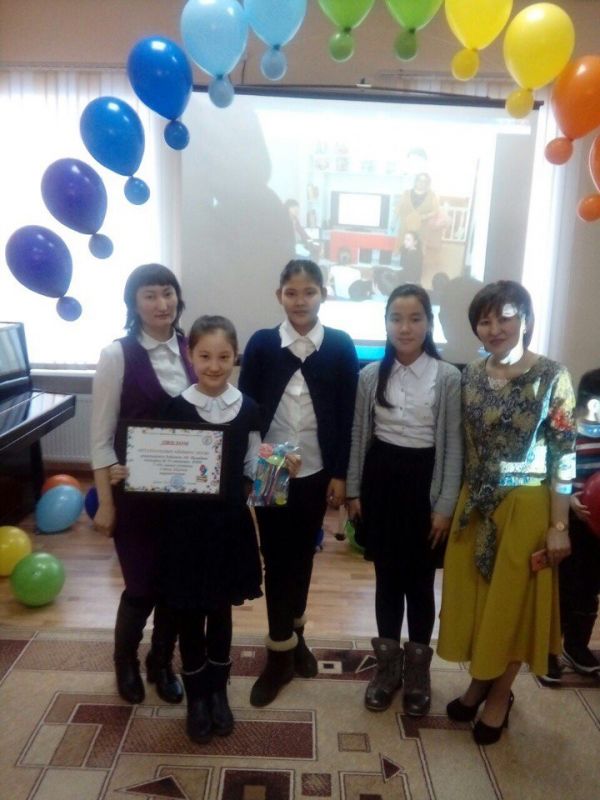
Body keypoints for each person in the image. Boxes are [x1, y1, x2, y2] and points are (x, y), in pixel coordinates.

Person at [437, 280, 576, 745]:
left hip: (526, 507)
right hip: (475, 505)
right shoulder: (471, 375)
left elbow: (564, 455)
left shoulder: (552, 375)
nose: (495, 328)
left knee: (512, 608)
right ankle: (479, 682)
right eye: (485, 320)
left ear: (525, 319)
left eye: (505, 317)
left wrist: (559, 525)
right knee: (479, 604)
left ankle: (499, 696)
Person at [238, 258, 359, 707]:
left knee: (304, 555)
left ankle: (297, 637)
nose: (300, 300)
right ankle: (278, 655)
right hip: (271, 465)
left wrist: (341, 474)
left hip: (318, 469)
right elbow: (248, 410)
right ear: (280, 296)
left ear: (323, 294)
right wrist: (256, 464)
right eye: (292, 292)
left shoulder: (340, 345)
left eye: (309, 291)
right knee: (276, 559)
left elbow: (346, 416)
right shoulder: (263, 344)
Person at [155, 316, 274, 743]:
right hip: (186, 532)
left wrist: (278, 467)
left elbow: (256, 471)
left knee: (221, 611)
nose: (214, 365)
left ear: (235, 357)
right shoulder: (175, 408)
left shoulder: (249, 408)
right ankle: (197, 697)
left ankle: (218, 693)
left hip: (229, 529)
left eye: (223, 357)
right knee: (190, 614)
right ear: (191, 356)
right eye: (204, 356)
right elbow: (163, 466)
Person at [346, 284, 462, 717]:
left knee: (420, 582)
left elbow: (454, 448)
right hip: (382, 483)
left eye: (415, 318)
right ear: (386, 324)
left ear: (428, 324)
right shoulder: (369, 376)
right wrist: (355, 490)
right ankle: (387, 669)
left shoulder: (447, 377)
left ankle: (417, 673)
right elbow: (360, 435)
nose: (405, 327)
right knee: (387, 579)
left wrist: (445, 505)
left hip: (424, 487)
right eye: (396, 318)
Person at [91, 264, 195, 706]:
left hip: (185, 497)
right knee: (140, 585)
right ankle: (125, 662)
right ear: (134, 303)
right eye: (150, 295)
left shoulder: (193, 348)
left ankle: (161, 662)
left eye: (168, 293)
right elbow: (100, 438)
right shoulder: (117, 355)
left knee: (175, 584)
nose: (161, 303)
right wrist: (106, 503)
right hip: (134, 497)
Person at [543, 369, 600, 683]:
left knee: (589, 590)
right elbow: (557, 474)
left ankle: (576, 646)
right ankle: (548, 652)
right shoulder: (569, 433)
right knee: (563, 588)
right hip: (572, 523)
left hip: (597, 529)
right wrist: (572, 501)